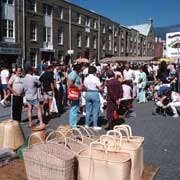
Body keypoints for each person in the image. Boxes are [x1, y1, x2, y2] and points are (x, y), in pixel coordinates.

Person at [23, 64, 45, 128]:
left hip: (27, 96)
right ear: (30, 71)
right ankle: (41, 123)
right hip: (34, 96)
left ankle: (30, 123)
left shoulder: (24, 78)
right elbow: (39, 83)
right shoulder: (33, 78)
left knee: (29, 109)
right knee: (39, 109)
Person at [67, 64, 82, 128]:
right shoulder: (74, 74)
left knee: (74, 108)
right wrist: (78, 87)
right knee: (74, 108)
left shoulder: (74, 73)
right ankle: (73, 124)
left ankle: (73, 123)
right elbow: (70, 84)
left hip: (75, 92)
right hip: (74, 92)